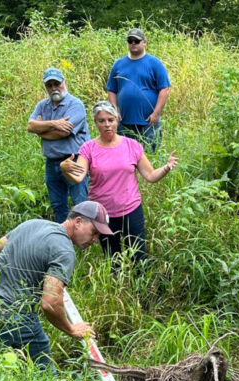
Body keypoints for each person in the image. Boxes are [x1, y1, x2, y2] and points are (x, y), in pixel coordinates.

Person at [0, 201, 113, 369]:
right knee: (45, 377)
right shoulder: (64, 251)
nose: (95, 240)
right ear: (78, 221)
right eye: (94, 232)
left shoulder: (33, 224)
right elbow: (49, 303)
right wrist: (72, 330)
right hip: (11, 316)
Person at [62, 101, 177, 266]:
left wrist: (166, 167)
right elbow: (78, 177)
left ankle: (139, 289)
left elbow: (150, 175)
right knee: (112, 258)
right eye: (102, 121)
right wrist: (66, 170)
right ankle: (116, 289)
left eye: (111, 120)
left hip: (131, 209)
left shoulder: (132, 145)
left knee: (138, 257)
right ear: (95, 123)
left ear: (117, 120)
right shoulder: (88, 148)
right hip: (103, 214)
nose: (107, 125)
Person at [27, 67, 90, 222]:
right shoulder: (42, 105)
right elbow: (30, 126)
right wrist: (55, 123)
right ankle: (64, 241)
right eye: (50, 85)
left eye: (57, 83)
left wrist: (40, 129)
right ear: (45, 87)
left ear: (64, 82)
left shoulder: (75, 105)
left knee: (80, 205)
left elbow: (63, 132)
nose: (54, 88)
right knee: (58, 206)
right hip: (51, 163)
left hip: (74, 161)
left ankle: (85, 242)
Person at [105, 28, 171, 152]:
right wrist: (114, 111)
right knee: (124, 157)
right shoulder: (118, 64)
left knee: (150, 155)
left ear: (144, 42)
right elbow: (111, 89)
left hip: (149, 122)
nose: (133, 43)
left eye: (136, 41)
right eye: (130, 41)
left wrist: (156, 113)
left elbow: (164, 89)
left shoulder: (155, 63)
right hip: (124, 122)